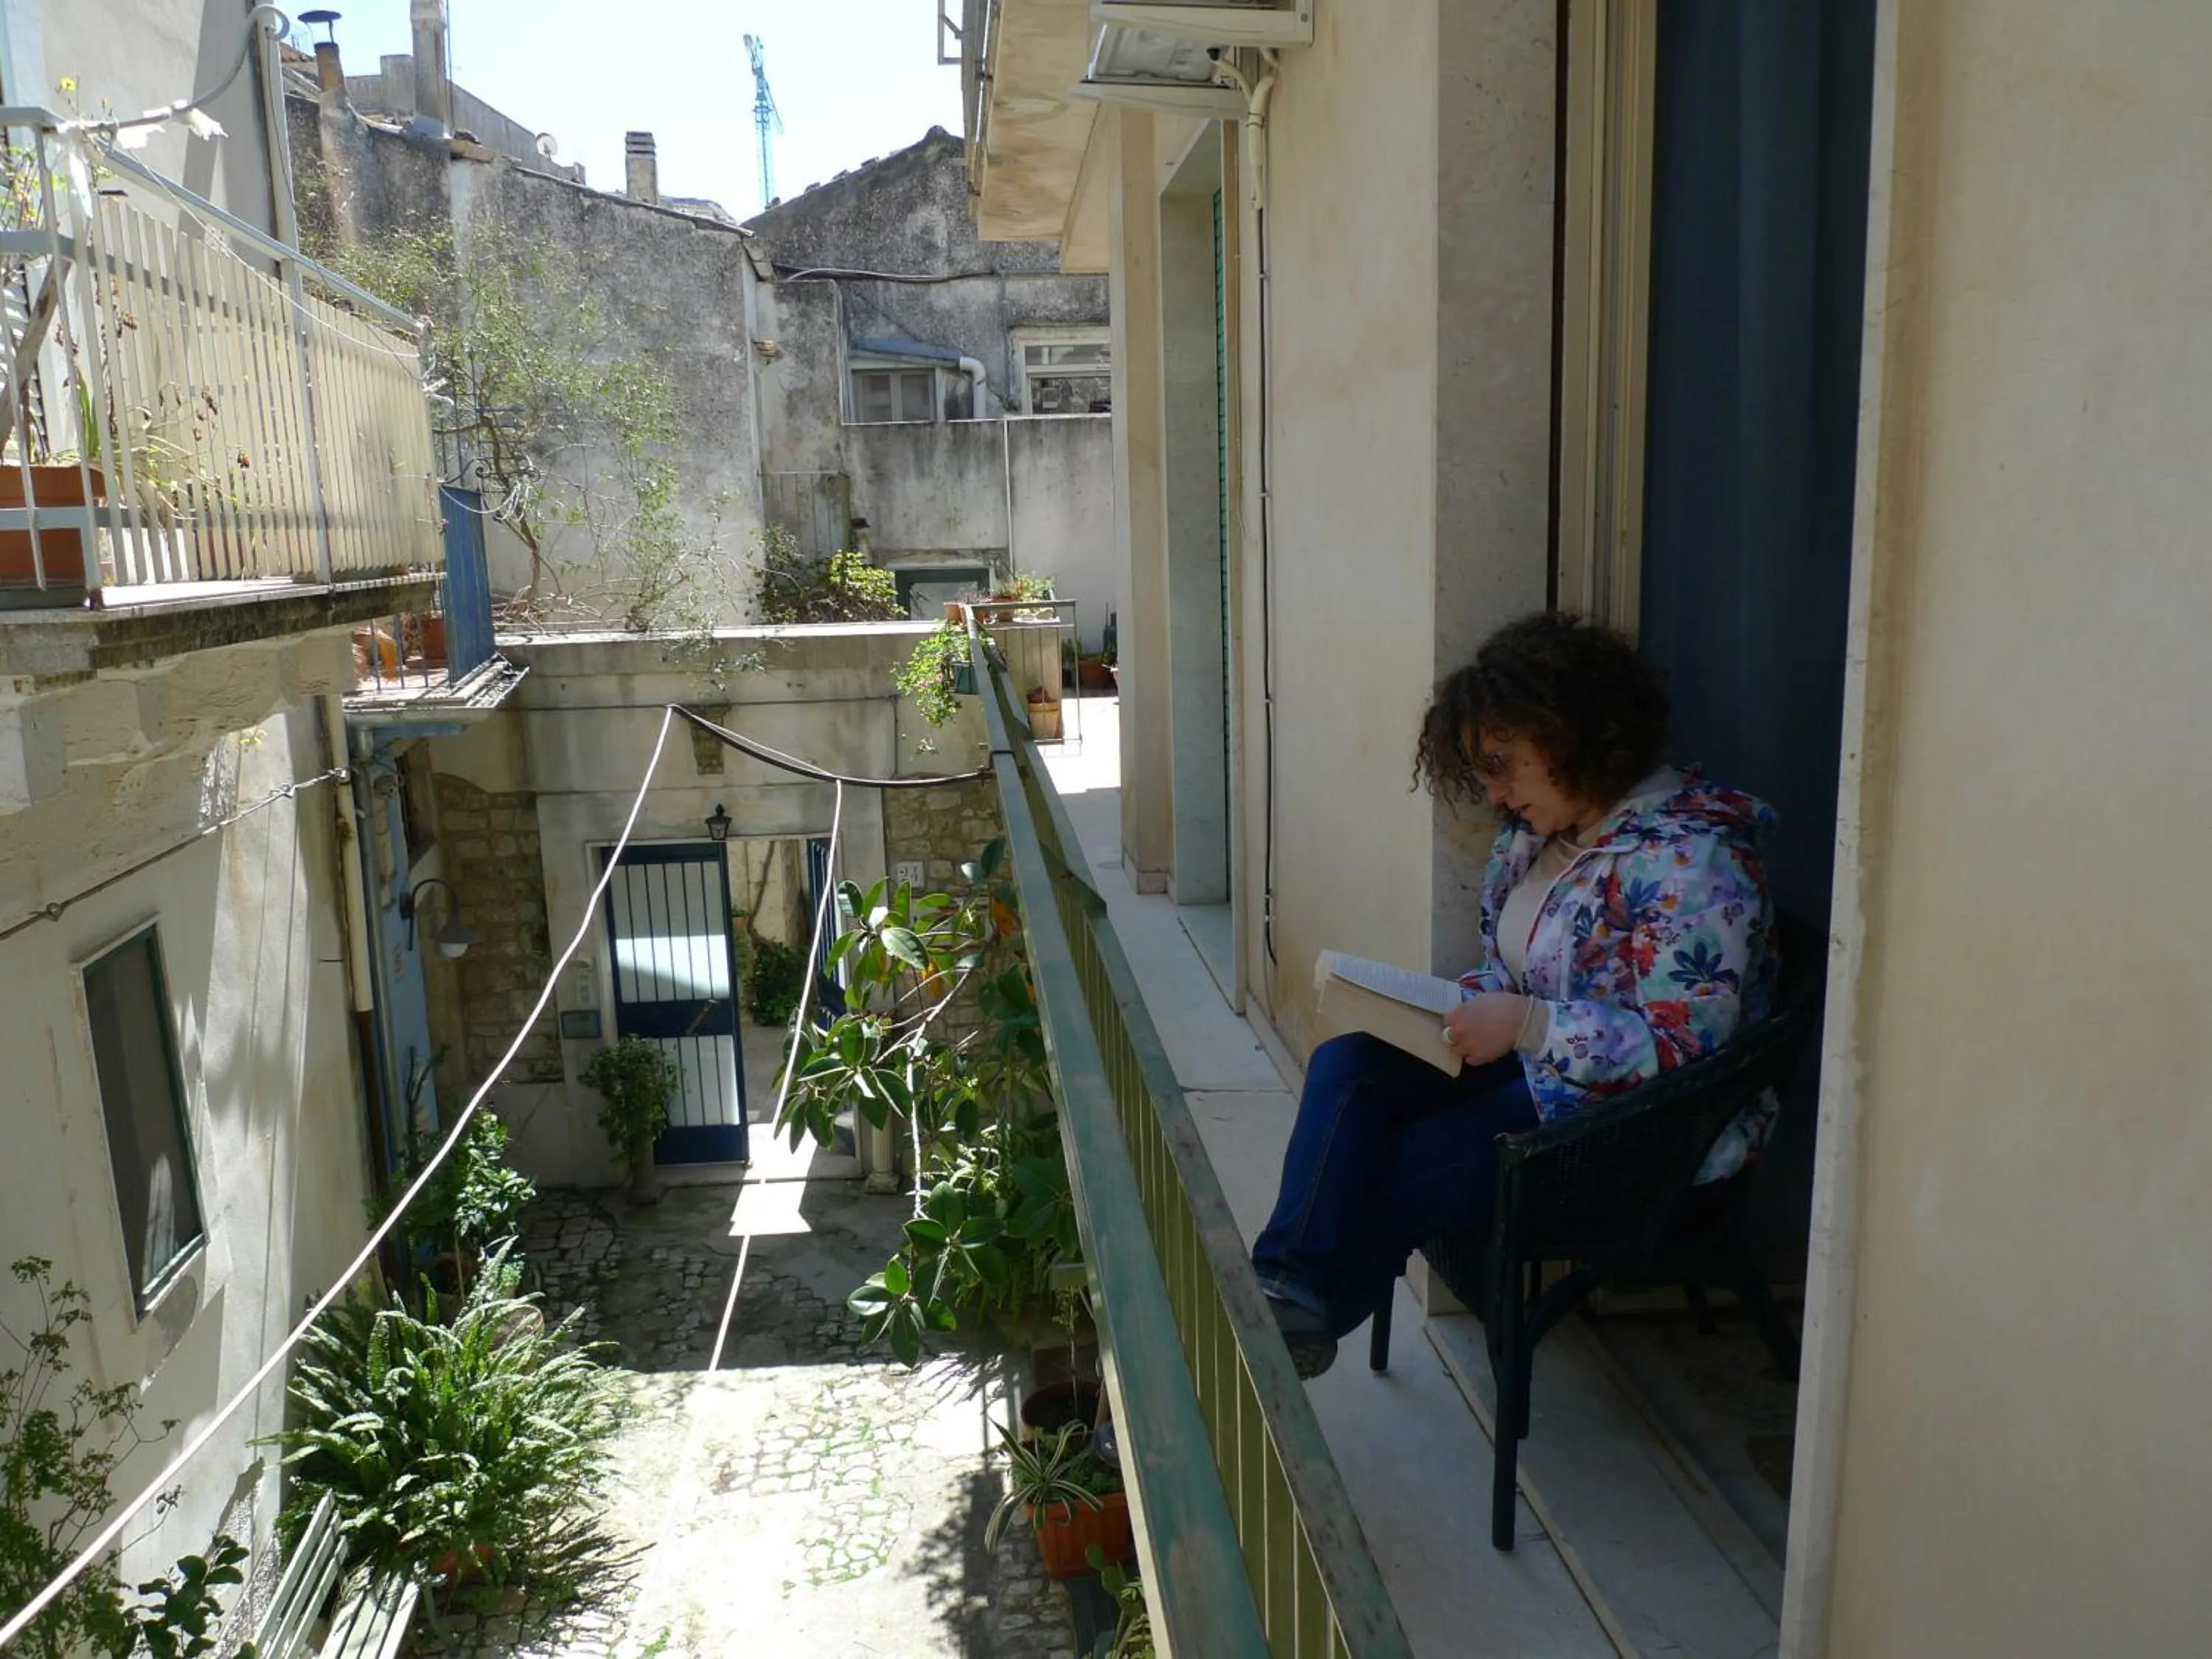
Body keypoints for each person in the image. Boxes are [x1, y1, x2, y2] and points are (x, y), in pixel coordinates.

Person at [1252, 612, 1779, 1378]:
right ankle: (1281, 1290)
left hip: (1641, 1127)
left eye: (1505, 764)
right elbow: (1520, 965)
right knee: (1350, 1065)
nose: (1495, 791)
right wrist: (1454, 1007)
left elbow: (1686, 1048)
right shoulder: (1541, 835)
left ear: (1577, 736)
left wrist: (1528, 1023)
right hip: (1543, 1072)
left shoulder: (1693, 865)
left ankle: (1268, 1346)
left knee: (1400, 1167)